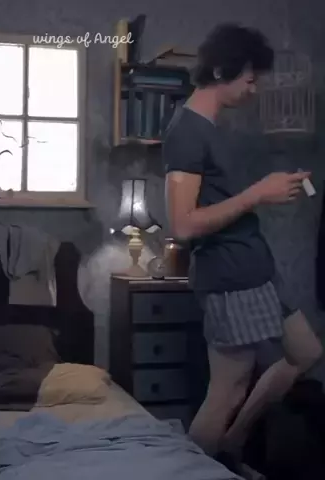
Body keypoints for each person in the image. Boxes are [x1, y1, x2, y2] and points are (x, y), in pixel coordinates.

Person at [163, 23, 323, 466]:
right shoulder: (186, 132)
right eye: (250, 80)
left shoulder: (212, 127)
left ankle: (233, 441)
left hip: (257, 266)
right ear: (220, 71)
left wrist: (271, 187)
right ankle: (185, 471)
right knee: (226, 390)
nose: (254, 90)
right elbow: (183, 224)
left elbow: (223, 200)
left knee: (306, 353)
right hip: (230, 273)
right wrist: (258, 194)